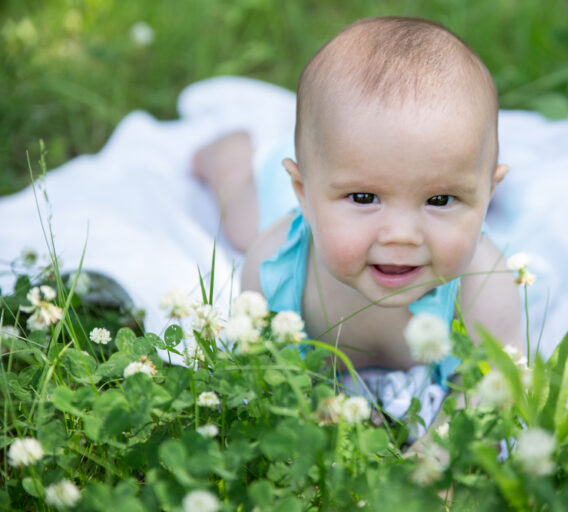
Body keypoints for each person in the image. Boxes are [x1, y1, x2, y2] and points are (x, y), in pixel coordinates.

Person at [193, 16, 524, 393]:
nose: (402, 235)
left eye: (440, 199)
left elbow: (495, 389)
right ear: (303, 192)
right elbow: (261, 379)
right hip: (289, 183)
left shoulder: (484, 288)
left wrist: (438, 447)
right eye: (364, 198)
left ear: (488, 194)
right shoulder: (274, 268)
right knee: (242, 222)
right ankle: (230, 156)